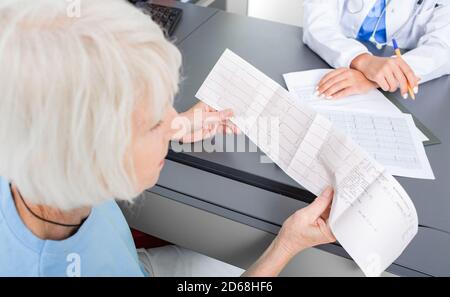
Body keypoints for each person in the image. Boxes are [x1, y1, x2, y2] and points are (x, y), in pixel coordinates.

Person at [0, 0, 336, 277]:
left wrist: (174, 128)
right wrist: (288, 244)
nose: (175, 118)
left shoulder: (34, 150)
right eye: (154, 123)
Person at [303, 0, 450, 100]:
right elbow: (318, 25)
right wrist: (362, 60)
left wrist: (381, 76)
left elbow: (443, 49)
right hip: (327, 59)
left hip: (395, 90)